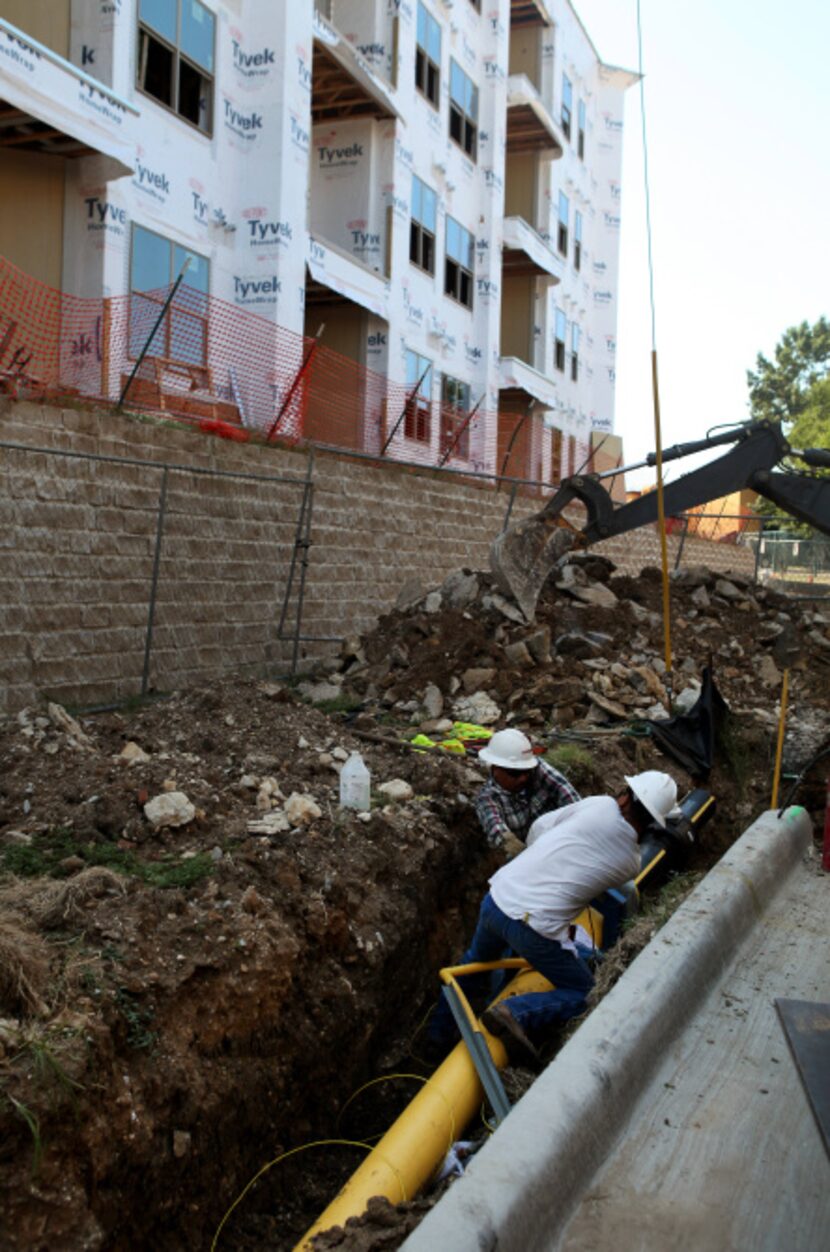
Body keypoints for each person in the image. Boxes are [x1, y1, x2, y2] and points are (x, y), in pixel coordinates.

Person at [427, 771, 678, 1064]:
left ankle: (436, 1040)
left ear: (625, 796)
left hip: (498, 896)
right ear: (653, 825)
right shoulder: (630, 864)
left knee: (472, 967)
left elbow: (540, 827)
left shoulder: (598, 804)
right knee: (586, 994)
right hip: (534, 928)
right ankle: (515, 1012)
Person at [475, 728, 580, 850]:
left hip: (565, 840)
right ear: (496, 769)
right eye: (515, 773)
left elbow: (570, 797)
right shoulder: (488, 798)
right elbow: (498, 832)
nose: (523, 778)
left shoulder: (537, 768)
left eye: (526, 771)